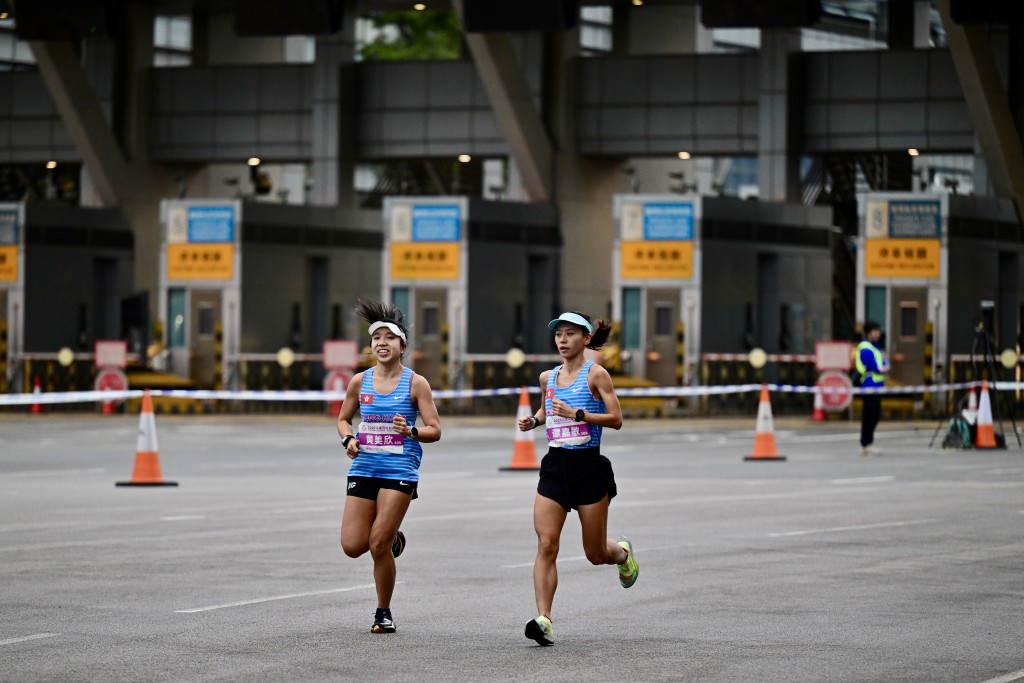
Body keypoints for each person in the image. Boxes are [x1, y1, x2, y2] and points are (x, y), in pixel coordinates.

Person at [517, 310, 638, 646]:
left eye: (570, 334)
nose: (562, 340)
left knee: (595, 553)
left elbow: (616, 419)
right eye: (558, 334)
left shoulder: (595, 375)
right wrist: (535, 421)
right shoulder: (548, 378)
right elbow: (547, 408)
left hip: (589, 469)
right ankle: (544, 618)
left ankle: (623, 555)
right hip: (555, 466)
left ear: (586, 339)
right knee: (546, 543)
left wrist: (579, 414)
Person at [336, 299, 441, 633]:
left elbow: (434, 430)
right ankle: (395, 539)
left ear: (402, 346)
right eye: (376, 338)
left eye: (389, 337)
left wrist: (410, 430)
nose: (382, 343)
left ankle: (383, 611)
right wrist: (348, 440)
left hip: (399, 472)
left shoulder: (415, 383)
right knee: (353, 546)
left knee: (376, 544)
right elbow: (342, 419)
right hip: (364, 468)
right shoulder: (359, 382)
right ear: (370, 347)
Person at [856, 320, 889, 456]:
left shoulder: (875, 347)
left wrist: (885, 367)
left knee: (875, 415)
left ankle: (868, 443)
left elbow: (884, 362)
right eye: (875, 330)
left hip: (877, 386)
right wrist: (881, 368)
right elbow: (872, 365)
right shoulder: (865, 347)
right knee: (869, 416)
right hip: (868, 386)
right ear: (869, 333)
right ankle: (866, 444)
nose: (878, 333)